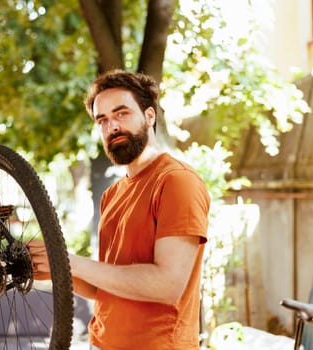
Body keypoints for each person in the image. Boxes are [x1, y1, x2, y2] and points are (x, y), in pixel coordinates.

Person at [28, 69, 210, 350]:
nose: (111, 126)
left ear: (150, 116)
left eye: (122, 113)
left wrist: (71, 261)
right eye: (102, 120)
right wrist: (55, 267)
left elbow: (168, 284)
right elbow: (105, 286)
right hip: (101, 343)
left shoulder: (176, 181)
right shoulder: (112, 194)